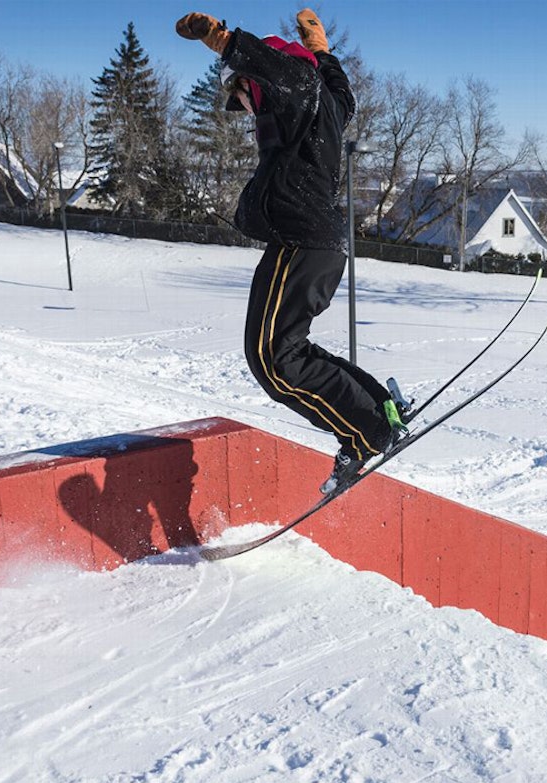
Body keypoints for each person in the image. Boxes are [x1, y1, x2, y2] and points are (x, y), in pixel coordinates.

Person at [176, 9, 404, 494]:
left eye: (240, 93)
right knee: (286, 351)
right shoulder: (322, 101)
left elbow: (286, 72)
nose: (244, 107)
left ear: (255, 80)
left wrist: (222, 41)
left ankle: (368, 432)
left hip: (300, 240)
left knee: (273, 360)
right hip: (312, 242)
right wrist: (324, 51)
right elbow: (344, 93)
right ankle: (379, 409)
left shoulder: (294, 86)